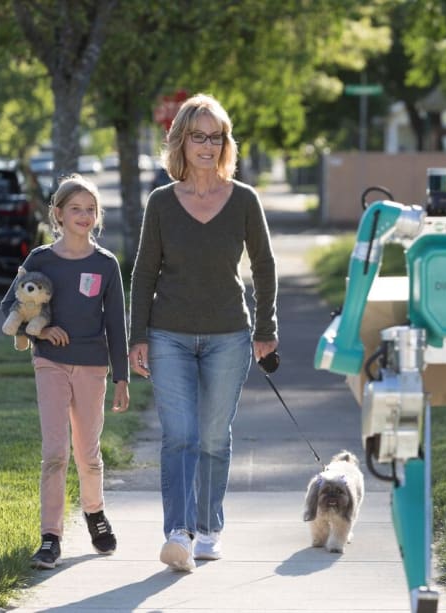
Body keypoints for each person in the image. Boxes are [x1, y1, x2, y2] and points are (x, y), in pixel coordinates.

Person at [128, 93, 278, 572]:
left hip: (228, 335)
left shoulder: (244, 200)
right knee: (180, 436)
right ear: (182, 141)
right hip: (168, 333)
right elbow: (144, 271)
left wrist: (266, 325)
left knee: (213, 435)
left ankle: (209, 526)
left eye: (217, 137)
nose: (208, 146)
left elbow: (265, 265)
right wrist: (138, 336)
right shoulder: (161, 203)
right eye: (199, 136)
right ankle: (178, 531)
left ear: (225, 143)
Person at [0, 173, 130, 569]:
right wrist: (41, 330)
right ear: (57, 214)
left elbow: (116, 325)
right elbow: (11, 305)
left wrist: (122, 377)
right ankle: (50, 537)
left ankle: (95, 513)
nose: (84, 215)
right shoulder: (39, 260)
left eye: (91, 209)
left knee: (88, 454)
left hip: (93, 366)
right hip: (50, 363)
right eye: (76, 209)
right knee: (55, 453)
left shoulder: (105, 264)